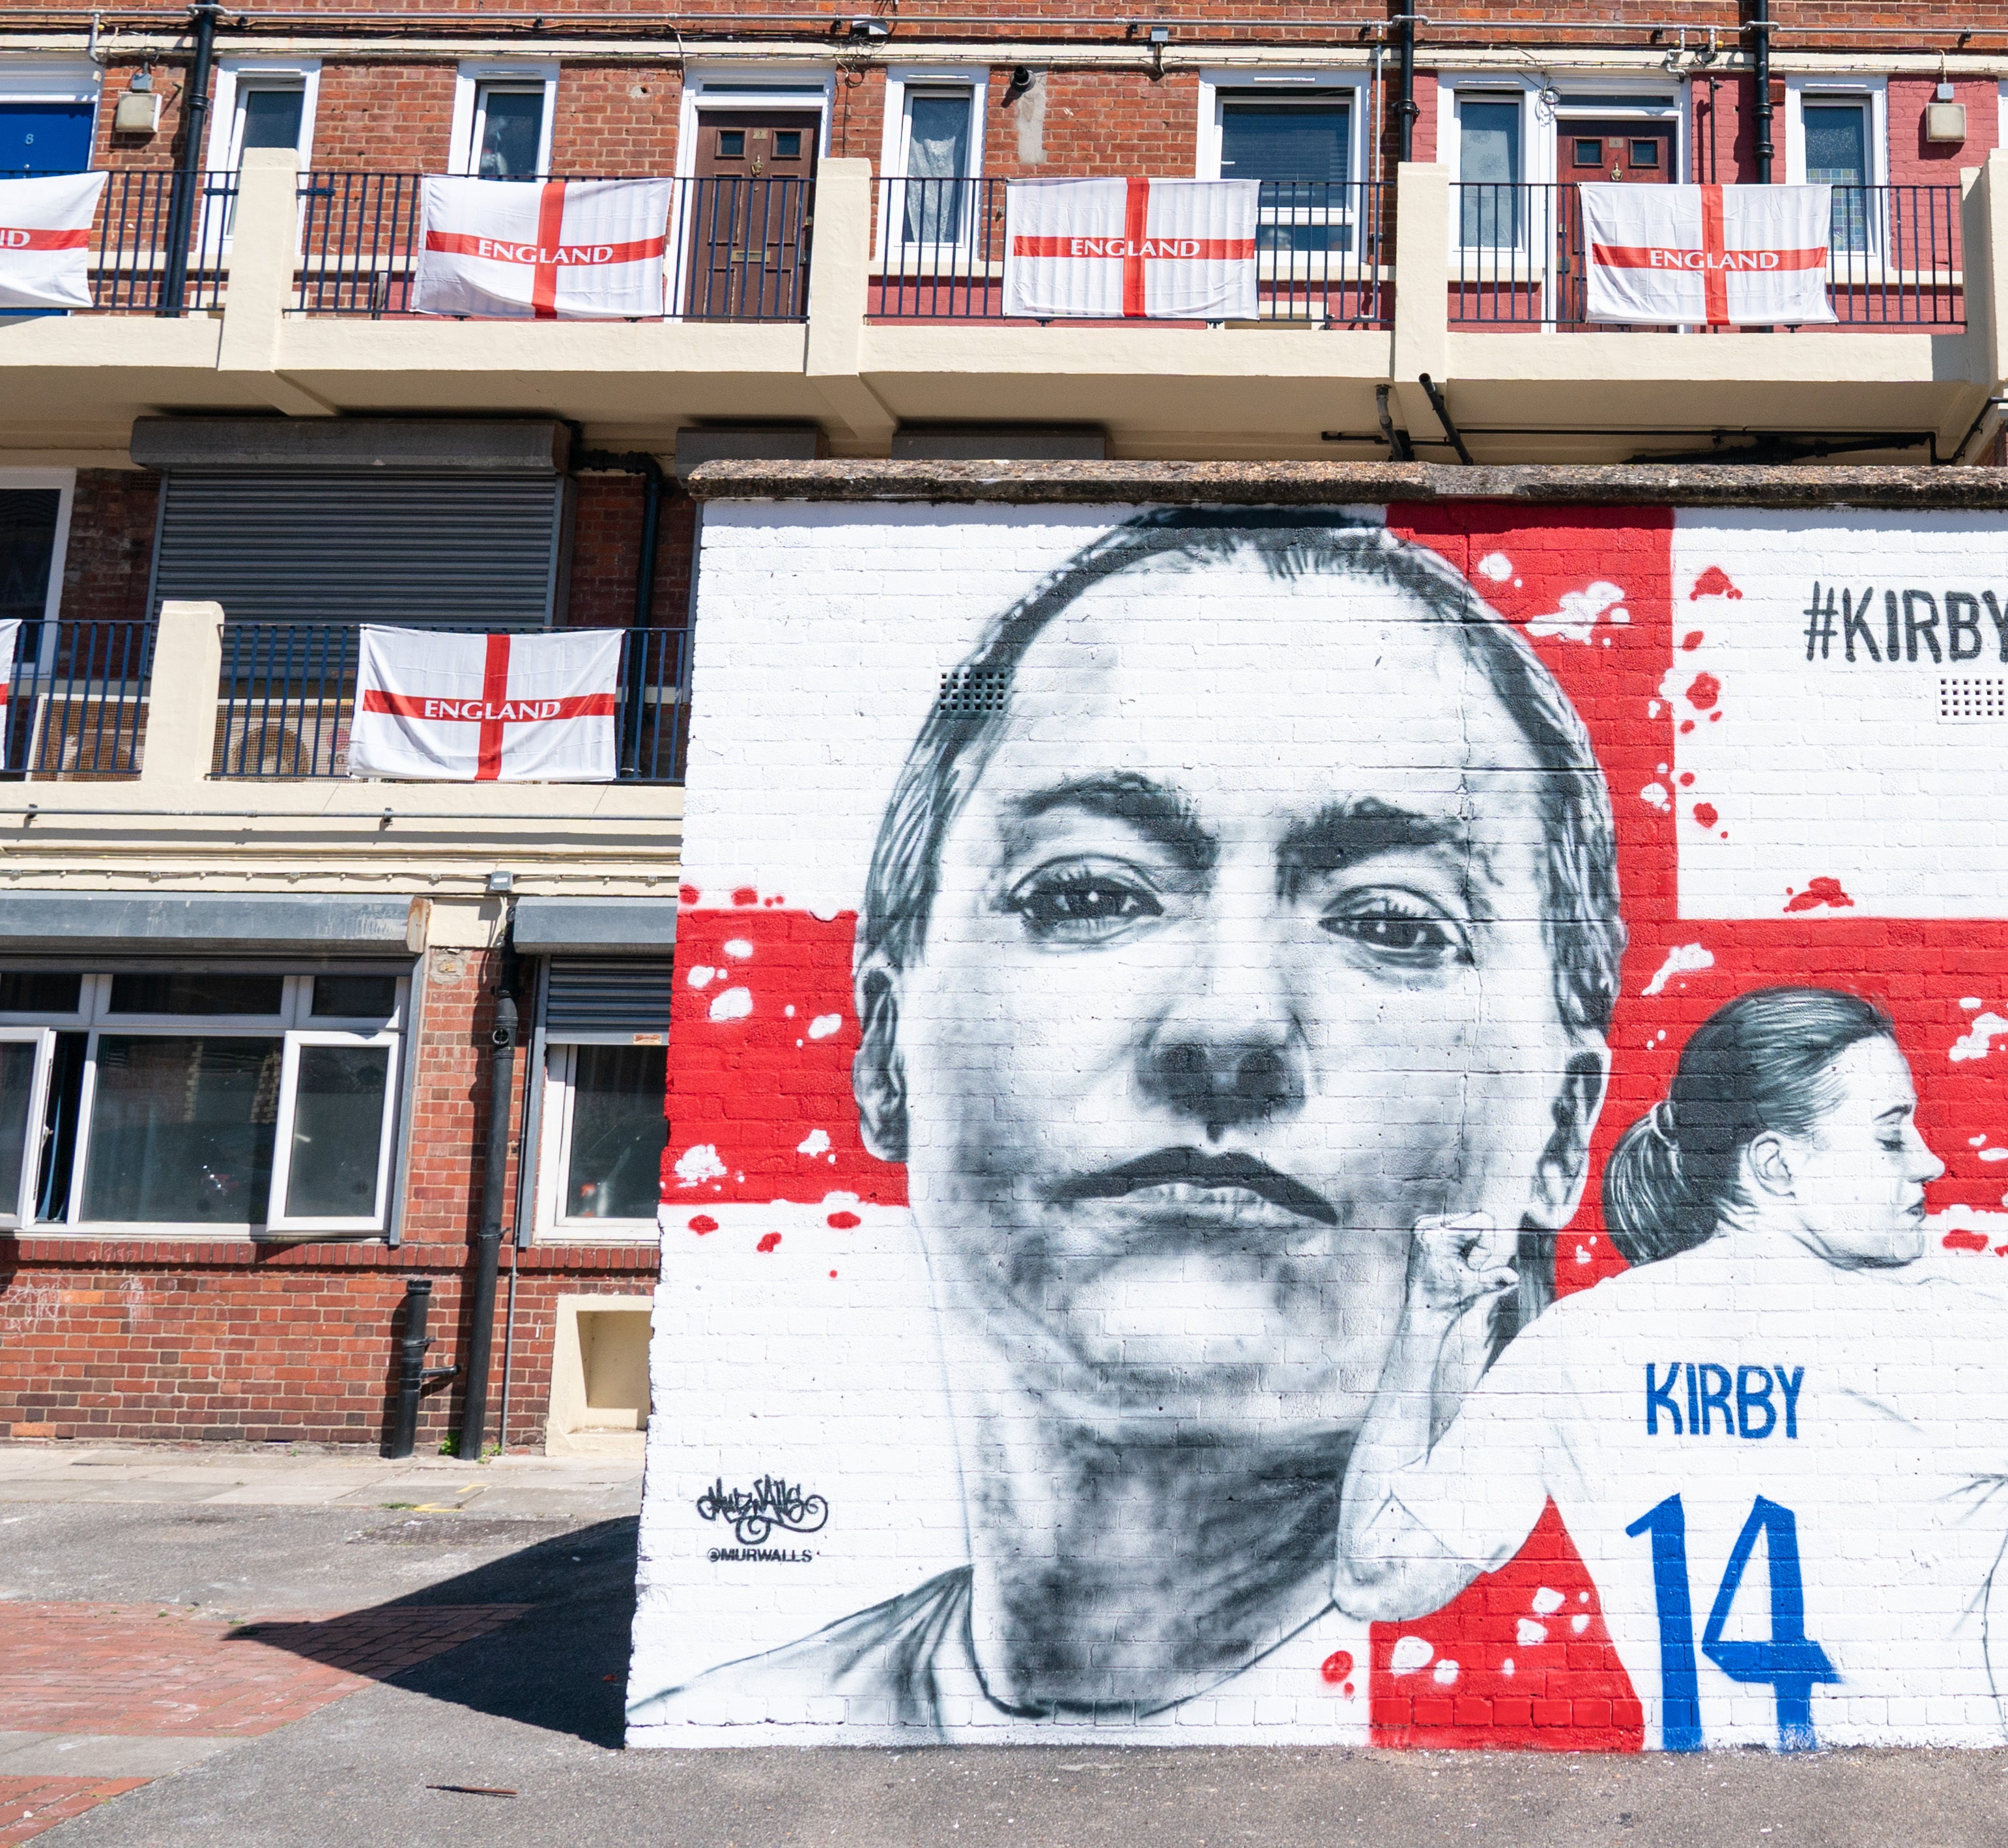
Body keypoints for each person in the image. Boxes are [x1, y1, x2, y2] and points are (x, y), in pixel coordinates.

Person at [638, 511, 1623, 1741]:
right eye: (1091, 893)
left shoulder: (1605, 1676)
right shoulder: (757, 1716)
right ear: (885, 1050)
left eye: (1393, 923)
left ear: (1560, 1131)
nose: (1229, 1028)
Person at [1336, 987, 2008, 1748]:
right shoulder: (1940, 1342)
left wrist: (1423, 1324)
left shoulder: (1576, 1342)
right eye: (1892, 1132)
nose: (1928, 1163)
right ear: (1772, 1167)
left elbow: (1376, 1579)